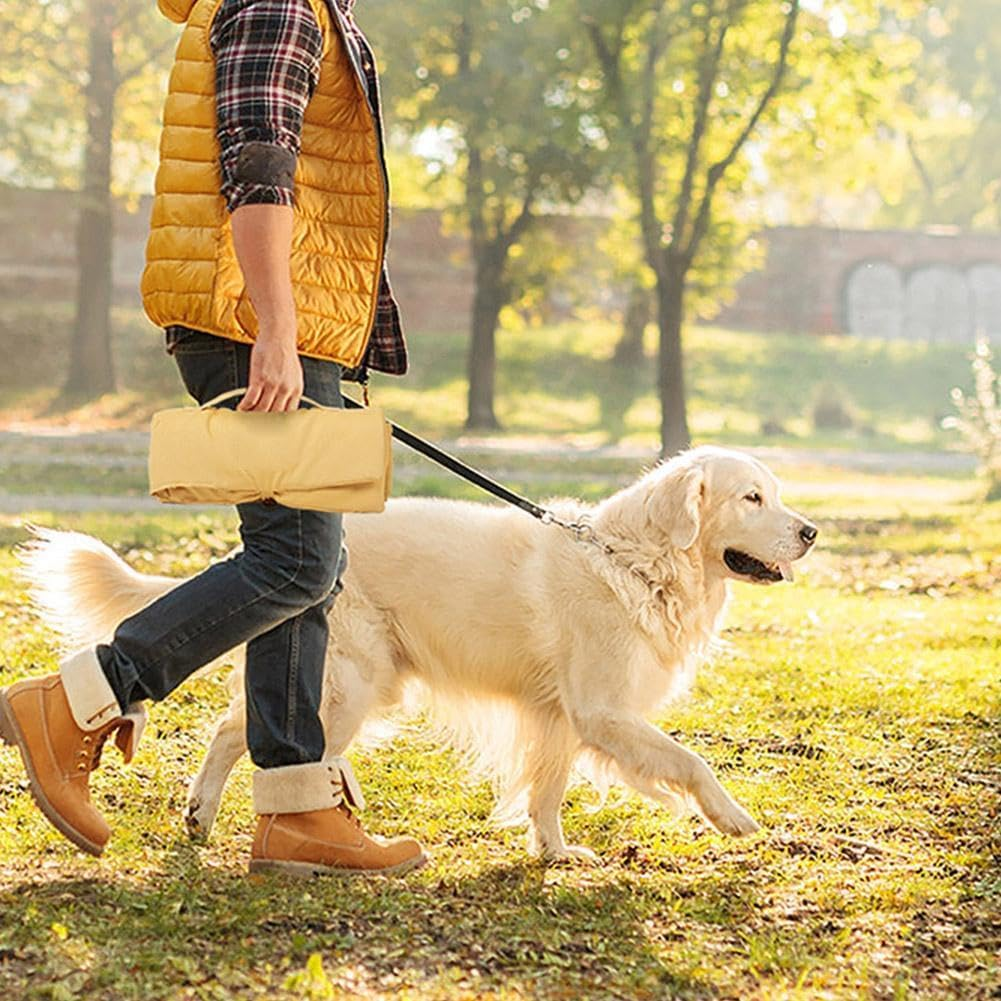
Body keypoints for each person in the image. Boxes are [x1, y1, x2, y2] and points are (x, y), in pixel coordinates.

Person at [0, 0, 426, 877]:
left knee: (312, 568)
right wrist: (276, 326)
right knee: (297, 562)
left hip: (281, 325)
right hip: (258, 326)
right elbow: (257, 160)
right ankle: (80, 697)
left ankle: (297, 808)